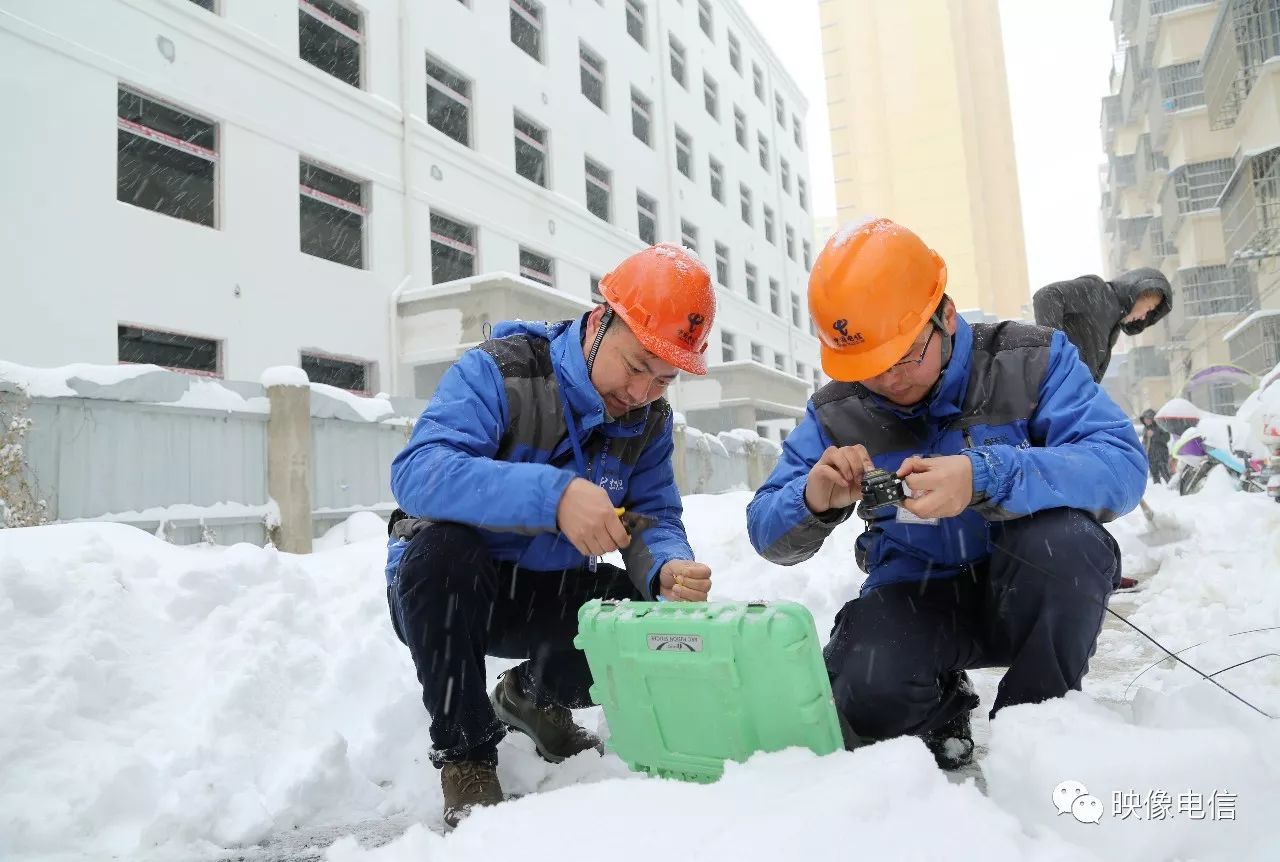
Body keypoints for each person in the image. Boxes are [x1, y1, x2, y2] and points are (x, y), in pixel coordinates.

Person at [746, 218, 1147, 770]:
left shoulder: (1030, 361)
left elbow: (1121, 465)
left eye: (905, 355)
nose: (889, 379)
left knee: (1068, 544)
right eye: (870, 367)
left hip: (1031, 583)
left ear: (946, 314)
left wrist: (986, 475)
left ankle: (1036, 728)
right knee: (864, 688)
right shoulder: (837, 411)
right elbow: (767, 531)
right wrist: (812, 499)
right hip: (917, 589)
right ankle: (941, 712)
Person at [385, 243, 715, 828]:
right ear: (599, 321)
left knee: (647, 618)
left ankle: (535, 696)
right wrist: (553, 497)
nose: (641, 392)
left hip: (547, 586)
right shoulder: (503, 370)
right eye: (636, 366)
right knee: (440, 556)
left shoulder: (648, 423)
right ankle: (467, 758)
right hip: (455, 588)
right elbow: (418, 472)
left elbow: (656, 516)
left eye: (663, 380)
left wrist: (665, 567)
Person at [1032, 268, 1172, 383]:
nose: (1144, 316)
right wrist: (1055, 351)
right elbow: (1047, 296)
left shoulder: (1113, 329)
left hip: (1058, 405)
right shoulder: (1097, 290)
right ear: (1138, 293)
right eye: (1148, 308)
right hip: (1034, 394)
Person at [1140, 409, 1172, 485]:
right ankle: (1158, 490)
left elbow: (1167, 438)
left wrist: (1154, 435)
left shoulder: (1160, 427)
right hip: (1151, 455)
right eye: (1145, 419)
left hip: (1161, 454)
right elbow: (1144, 442)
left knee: (1165, 473)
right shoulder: (1145, 429)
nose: (1146, 421)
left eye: (1148, 419)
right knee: (1155, 475)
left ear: (1152, 419)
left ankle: (1172, 489)